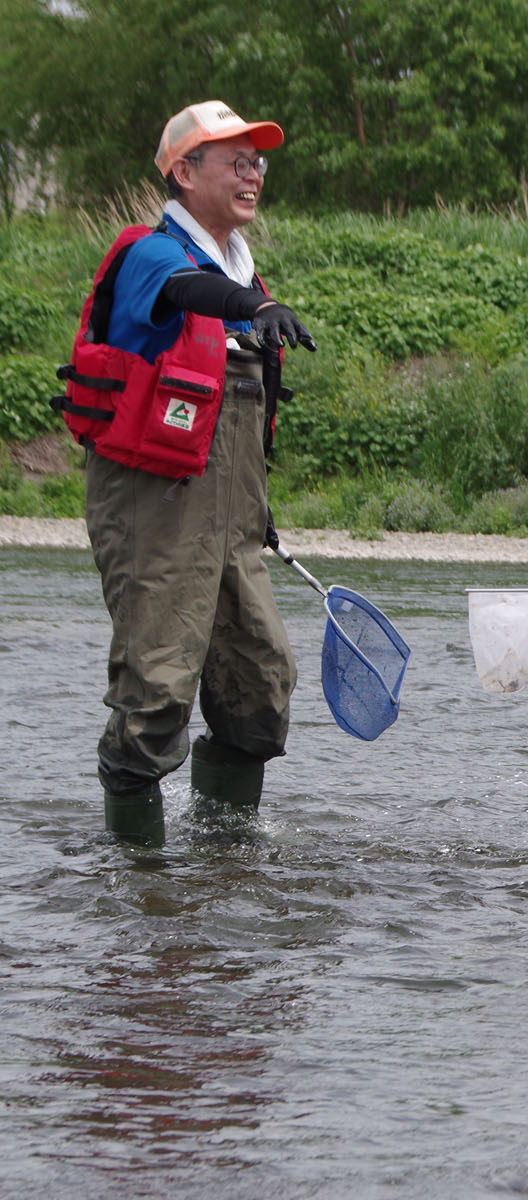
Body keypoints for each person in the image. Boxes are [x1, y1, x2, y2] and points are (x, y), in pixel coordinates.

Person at [55, 101, 317, 846]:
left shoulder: (242, 270)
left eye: (257, 159)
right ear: (183, 170)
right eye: (232, 157)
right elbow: (185, 291)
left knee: (259, 693)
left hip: (232, 523)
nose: (251, 171)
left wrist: (257, 512)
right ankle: (137, 881)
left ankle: (224, 861)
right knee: (157, 697)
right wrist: (253, 304)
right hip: (154, 515)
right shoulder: (152, 253)